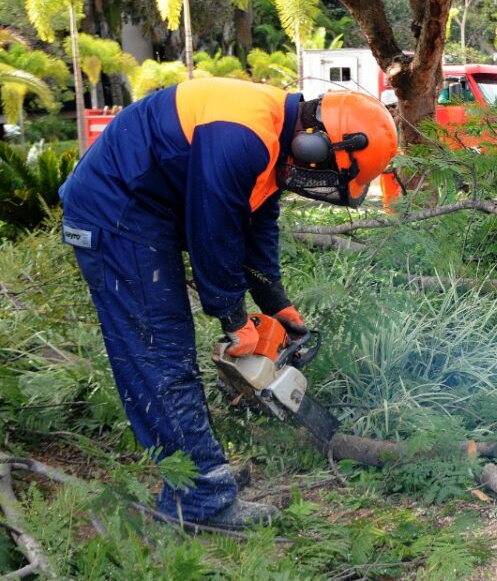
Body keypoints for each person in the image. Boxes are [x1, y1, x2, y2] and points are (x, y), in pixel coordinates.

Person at [59, 78, 397, 529]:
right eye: (328, 171)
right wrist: (234, 319)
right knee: (160, 353)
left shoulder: (274, 139)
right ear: (315, 145)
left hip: (148, 210)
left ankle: (195, 477)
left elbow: (256, 230)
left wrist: (278, 307)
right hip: (117, 212)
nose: (318, 179)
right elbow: (212, 231)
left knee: (166, 354)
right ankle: (203, 498)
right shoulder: (243, 134)